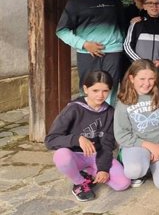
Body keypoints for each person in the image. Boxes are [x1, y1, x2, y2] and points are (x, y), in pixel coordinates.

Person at [45, 71, 130, 202]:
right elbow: (50, 140)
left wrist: (103, 169)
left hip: (96, 155)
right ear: (85, 89)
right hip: (75, 156)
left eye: (105, 91)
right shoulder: (73, 108)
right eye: (95, 90)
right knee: (61, 156)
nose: (100, 95)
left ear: (110, 90)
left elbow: (107, 144)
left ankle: (89, 172)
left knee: (122, 184)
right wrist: (77, 139)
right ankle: (79, 182)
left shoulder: (110, 113)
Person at [56, 0, 127, 104]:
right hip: (87, 54)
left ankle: (107, 121)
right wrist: (84, 44)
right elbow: (62, 30)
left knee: (110, 89)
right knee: (89, 88)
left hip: (113, 53)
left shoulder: (114, 1)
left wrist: (120, 43)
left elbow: (123, 26)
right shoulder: (75, 2)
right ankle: (89, 119)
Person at [114, 59, 159, 191]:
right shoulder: (124, 102)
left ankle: (149, 162)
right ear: (131, 78)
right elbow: (122, 133)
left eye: (151, 79)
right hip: (137, 144)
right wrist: (149, 146)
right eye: (142, 78)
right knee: (134, 171)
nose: (146, 83)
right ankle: (136, 160)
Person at [123, 0, 159, 87]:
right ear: (144, 6)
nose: (154, 6)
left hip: (158, 68)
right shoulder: (137, 23)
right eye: (150, 3)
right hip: (138, 68)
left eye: (157, 3)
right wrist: (139, 62)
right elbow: (127, 46)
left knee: (157, 95)